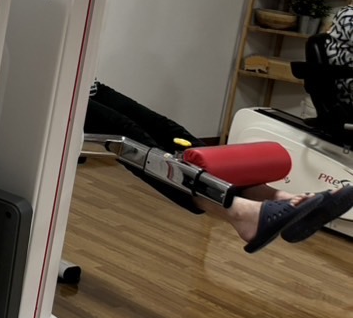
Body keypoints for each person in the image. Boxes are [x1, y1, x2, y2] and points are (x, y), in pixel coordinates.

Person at [86, 81, 353, 252]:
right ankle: (241, 213)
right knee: (135, 141)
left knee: (174, 134)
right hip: (64, 89)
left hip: (88, 83)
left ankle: (279, 198)